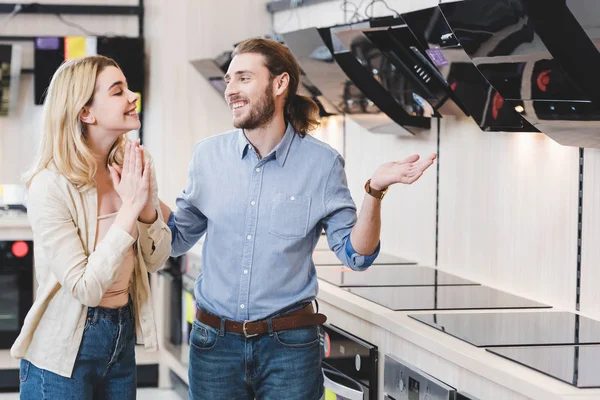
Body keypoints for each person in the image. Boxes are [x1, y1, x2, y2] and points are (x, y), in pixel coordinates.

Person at [168, 38, 436, 399]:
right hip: (214, 346)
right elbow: (175, 238)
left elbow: (355, 255)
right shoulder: (207, 157)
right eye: (229, 80)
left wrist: (374, 191)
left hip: (289, 349)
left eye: (243, 78)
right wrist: (141, 195)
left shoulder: (321, 164)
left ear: (280, 84)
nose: (230, 90)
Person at [11, 55, 172, 399]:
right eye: (118, 91)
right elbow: (85, 288)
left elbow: (155, 261)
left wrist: (146, 211)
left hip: (121, 337)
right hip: (62, 353)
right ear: (86, 112)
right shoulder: (50, 185)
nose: (133, 97)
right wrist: (130, 208)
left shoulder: (136, 164)